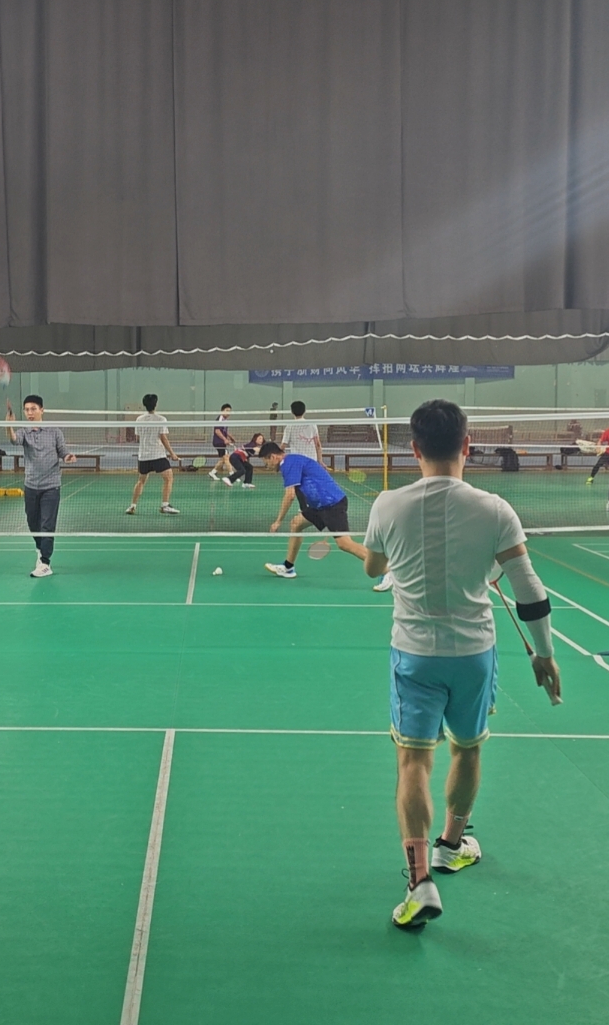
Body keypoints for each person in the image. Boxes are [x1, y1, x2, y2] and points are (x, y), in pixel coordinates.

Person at [361, 399, 560, 931]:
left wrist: (386, 554)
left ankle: (419, 880)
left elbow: (374, 568)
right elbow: (530, 590)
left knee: (413, 761)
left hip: (414, 654)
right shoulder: (495, 510)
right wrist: (543, 653)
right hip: (474, 655)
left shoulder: (387, 505)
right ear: (467, 446)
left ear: (415, 449)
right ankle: (452, 844)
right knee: (467, 749)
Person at [258, 441, 382, 588]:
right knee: (296, 524)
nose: (267, 466)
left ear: (273, 457)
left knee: (344, 544)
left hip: (332, 503)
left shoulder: (288, 464)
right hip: (319, 506)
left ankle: (387, 570)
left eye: (266, 462)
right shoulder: (293, 460)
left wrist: (278, 520)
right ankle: (288, 567)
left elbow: (290, 495)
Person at [8, 395, 74, 576]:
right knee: (33, 523)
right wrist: (8, 425)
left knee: (47, 525)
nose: (30, 413)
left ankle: (45, 562)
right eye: (27, 410)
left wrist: (68, 457)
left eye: (33, 409)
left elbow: (63, 451)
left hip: (51, 486)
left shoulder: (54, 432)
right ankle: (40, 549)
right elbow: (13, 439)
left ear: (42, 410)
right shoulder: (24, 432)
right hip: (30, 485)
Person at [127, 393, 180, 515]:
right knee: (168, 478)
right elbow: (163, 438)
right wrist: (172, 454)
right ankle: (165, 505)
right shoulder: (161, 419)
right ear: (156, 404)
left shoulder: (139, 419)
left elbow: (138, 437)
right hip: (157, 455)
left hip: (143, 456)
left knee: (141, 480)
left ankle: (132, 506)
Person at [584, 420, 609, 485]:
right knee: (598, 464)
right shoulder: (608, 431)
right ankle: (591, 478)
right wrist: (598, 447)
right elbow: (600, 441)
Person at [208, 404, 235, 480]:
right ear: (222, 411)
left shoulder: (225, 420)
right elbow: (217, 431)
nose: (228, 412)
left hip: (222, 442)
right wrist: (225, 439)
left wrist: (230, 437)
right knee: (226, 457)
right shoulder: (219, 419)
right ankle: (232, 475)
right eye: (227, 410)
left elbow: (224, 431)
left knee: (223, 459)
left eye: (229, 411)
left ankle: (212, 473)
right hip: (218, 442)